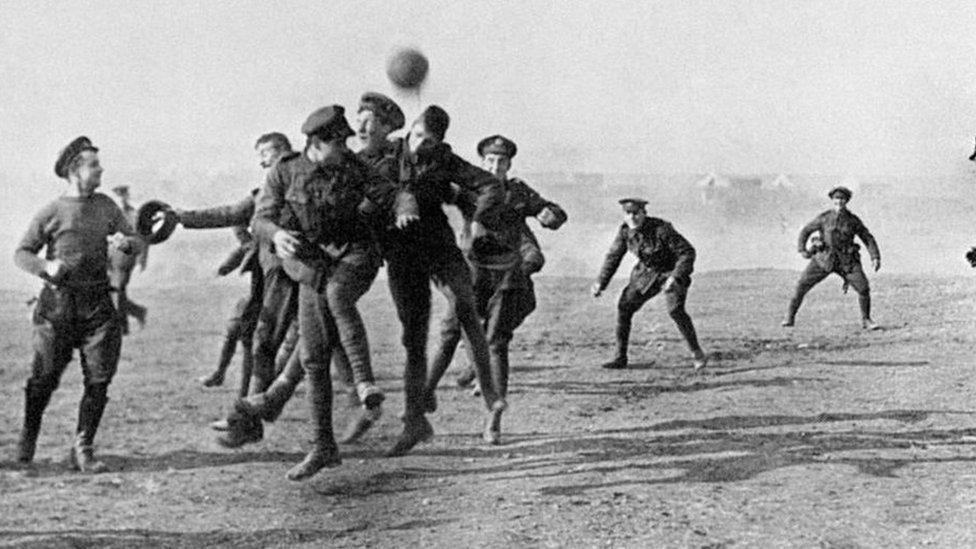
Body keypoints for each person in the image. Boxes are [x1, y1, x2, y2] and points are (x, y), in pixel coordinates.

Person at [252, 104, 398, 480]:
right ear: (317, 143)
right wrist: (278, 235)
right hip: (313, 263)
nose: (346, 147)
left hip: (355, 253)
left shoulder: (352, 166)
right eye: (339, 142)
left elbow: (389, 191)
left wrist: (387, 209)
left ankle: (364, 383)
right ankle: (323, 447)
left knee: (337, 297)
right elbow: (260, 219)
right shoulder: (285, 171)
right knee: (315, 359)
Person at [375, 105, 507, 456]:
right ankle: (414, 423)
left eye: (429, 140)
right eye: (417, 136)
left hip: (438, 245)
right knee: (413, 340)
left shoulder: (445, 159)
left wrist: (479, 219)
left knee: (465, 304)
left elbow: (490, 185)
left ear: (440, 141)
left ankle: (491, 394)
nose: (420, 146)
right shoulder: (386, 152)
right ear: (409, 132)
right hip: (402, 254)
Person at [424, 135, 567, 444]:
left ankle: (494, 418)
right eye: (489, 161)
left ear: (509, 165)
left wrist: (550, 216)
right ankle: (426, 394)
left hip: (504, 275)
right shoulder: (469, 189)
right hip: (471, 272)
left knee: (496, 342)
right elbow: (436, 189)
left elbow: (551, 210)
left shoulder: (517, 191)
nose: (495, 166)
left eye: (501, 162)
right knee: (450, 332)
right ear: (482, 162)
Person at [14, 136, 143, 472]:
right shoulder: (51, 212)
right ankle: (28, 438)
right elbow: (22, 253)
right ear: (74, 170)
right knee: (43, 378)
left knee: (99, 378)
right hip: (56, 308)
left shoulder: (106, 206)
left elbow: (133, 242)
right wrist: (45, 267)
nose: (100, 170)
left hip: (97, 304)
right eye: (93, 164)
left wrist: (125, 244)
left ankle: (83, 448)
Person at [591, 198, 707, 370]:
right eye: (628, 214)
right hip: (647, 274)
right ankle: (620, 358)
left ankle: (697, 353)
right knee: (624, 306)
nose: (632, 218)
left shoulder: (662, 229)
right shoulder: (625, 232)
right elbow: (613, 257)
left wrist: (675, 277)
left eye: (636, 213)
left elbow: (687, 252)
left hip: (672, 270)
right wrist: (600, 282)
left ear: (644, 213)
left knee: (675, 310)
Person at [782, 186, 881, 330]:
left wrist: (875, 257)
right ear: (832, 201)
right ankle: (789, 317)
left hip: (847, 262)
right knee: (802, 285)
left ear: (846, 201)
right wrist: (802, 249)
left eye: (842, 199)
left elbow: (867, 237)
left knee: (863, 288)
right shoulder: (824, 218)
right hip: (823, 259)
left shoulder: (852, 220)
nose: (839, 202)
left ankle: (866, 320)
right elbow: (806, 231)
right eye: (836, 199)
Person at [108, 184, 148, 334]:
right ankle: (137, 313)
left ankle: (121, 327)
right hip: (109, 257)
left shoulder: (134, 215)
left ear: (127, 196)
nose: (121, 199)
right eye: (118, 196)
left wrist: (142, 258)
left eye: (123, 195)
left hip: (126, 256)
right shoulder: (110, 215)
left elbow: (144, 238)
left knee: (118, 288)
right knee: (114, 290)